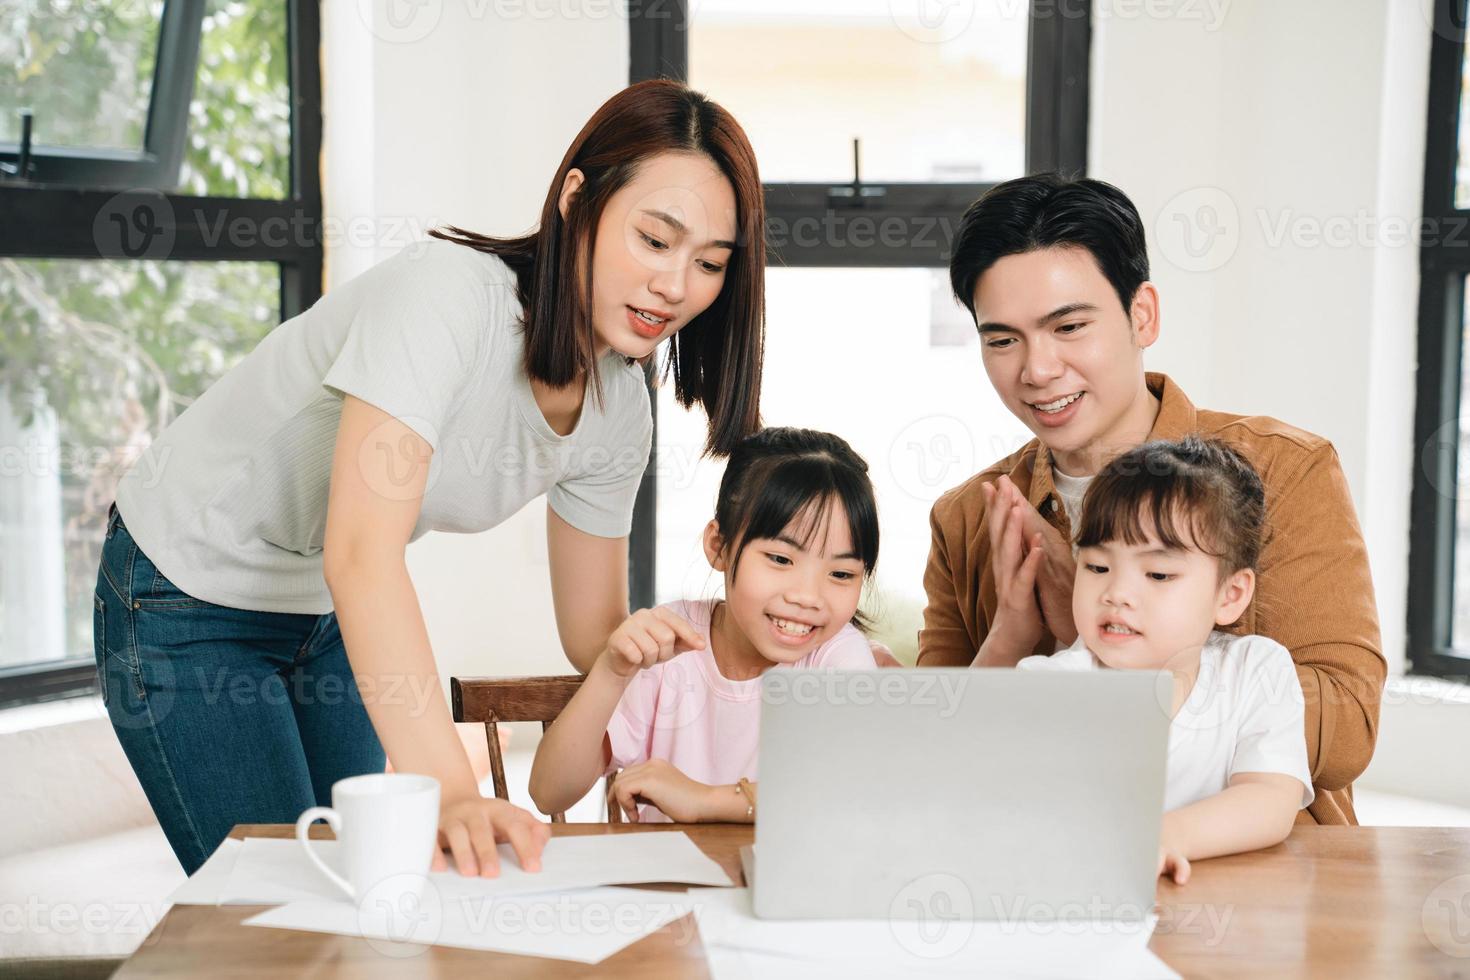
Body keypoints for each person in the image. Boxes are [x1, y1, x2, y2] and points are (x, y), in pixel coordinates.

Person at [94, 79, 766, 876]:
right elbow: (363, 553)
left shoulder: (621, 407)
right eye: (655, 240)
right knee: (279, 899)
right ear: (576, 201)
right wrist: (452, 787)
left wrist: (728, 649)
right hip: (186, 587)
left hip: (323, 606)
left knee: (365, 881)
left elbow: (593, 632)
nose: (677, 286)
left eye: (710, 263)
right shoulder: (446, 298)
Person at [920, 173, 1384, 825]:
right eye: (1002, 339)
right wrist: (1014, 641)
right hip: (1055, 869)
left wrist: (1122, 651)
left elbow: (1349, 727)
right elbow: (928, 756)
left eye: (1069, 326)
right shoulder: (968, 517)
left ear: (1143, 315)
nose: (1038, 369)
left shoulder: (1284, 469)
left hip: (1259, 882)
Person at [529, 428, 880, 822]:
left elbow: (855, 790)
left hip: (776, 882)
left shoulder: (837, 657)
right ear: (719, 546)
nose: (808, 597)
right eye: (781, 560)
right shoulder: (672, 641)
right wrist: (611, 671)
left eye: (841, 574)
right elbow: (548, 792)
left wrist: (704, 800)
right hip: (662, 879)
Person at [1015, 437, 1311, 883]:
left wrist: (1162, 837)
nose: (1116, 593)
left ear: (1230, 596)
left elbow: (1271, 798)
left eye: (1157, 574)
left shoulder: (1254, 670)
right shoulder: (1046, 687)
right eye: (1097, 568)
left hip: (1216, 902)